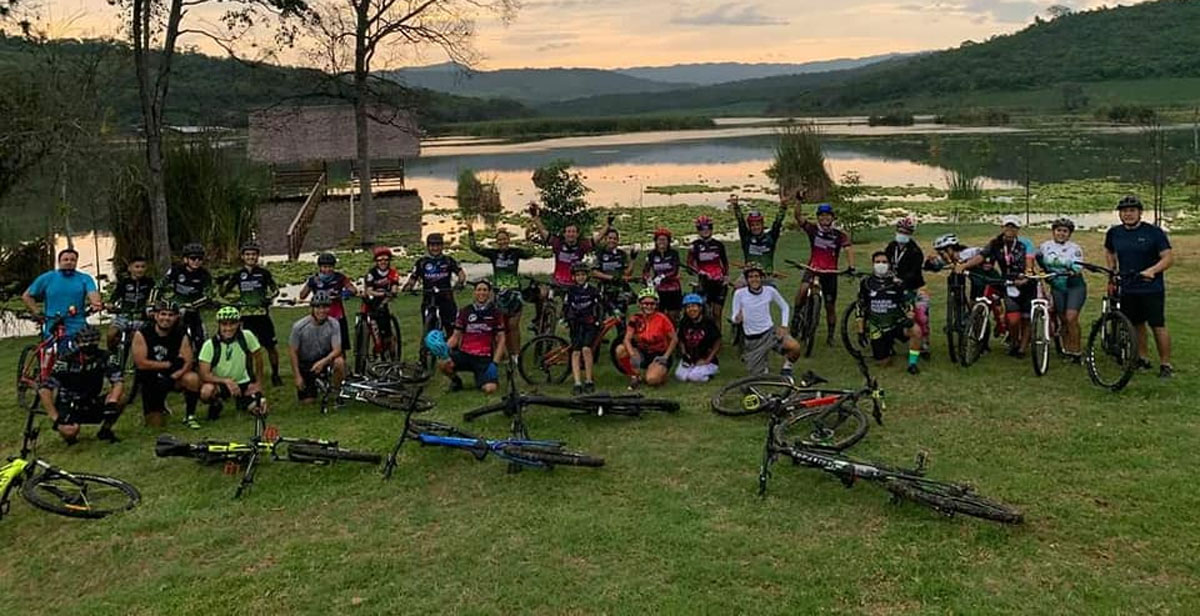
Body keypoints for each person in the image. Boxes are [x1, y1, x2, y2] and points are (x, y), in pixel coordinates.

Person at [1104, 195, 1174, 378]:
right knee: (1136, 324)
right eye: (1124, 211)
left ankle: (1165, 364)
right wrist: (1112, 270)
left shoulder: (1154, 232)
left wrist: (1152, 270)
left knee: (1157, 325)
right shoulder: (1114, 233)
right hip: (1128, 287)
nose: (1128, 214)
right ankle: (1142, 358)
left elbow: (1168, 258)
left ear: (1140, 213)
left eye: (1132, 211)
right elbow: (1109, 251)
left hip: (1151, 287)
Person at [962, 216, 1036, 357]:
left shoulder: (1025, 243)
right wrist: (965, 265)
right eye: (1007, 226)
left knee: (1026, 318)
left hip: (1027, 284)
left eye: (1013, 227)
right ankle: (1014, 342)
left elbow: (1029, 262)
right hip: (1008, 283)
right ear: (1002, 228)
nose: (1010, 229)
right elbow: (981, 256)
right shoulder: (995, 243)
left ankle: (1022, 348)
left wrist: (1027, 275)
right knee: (1013, 320)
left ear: (1018, 229)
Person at [37, 326, 123, 443]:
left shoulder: (106, 357)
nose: (89, 345)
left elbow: (118, 381)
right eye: (85, 341)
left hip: (91, 399)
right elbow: (45, 389)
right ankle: (69, 431)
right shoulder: (66, 360)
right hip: (69, 402)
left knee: (121, 398)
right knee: (70, 432)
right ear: (78, 342)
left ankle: (105, 430)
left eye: (93, 341)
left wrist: (112, 401)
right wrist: (55, 418)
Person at [466, 223, 533, 357]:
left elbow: (530, 253)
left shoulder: (515, 252)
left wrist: (528, 237)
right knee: (501, 326)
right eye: (500, 240)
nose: (502, 242)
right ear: (496, 242)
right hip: (499, 294)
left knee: (513, 325)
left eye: (504, 239)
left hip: (514, 292)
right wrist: (470, 231)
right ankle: (503, 353)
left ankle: (516, 355)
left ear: (508, 240)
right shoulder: (493, 254)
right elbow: (474, 248)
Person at [132, 299, 202, 428]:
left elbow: (188, 361)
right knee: (155, 426)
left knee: (192, 378)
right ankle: (157, 408)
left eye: (170, 315)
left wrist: (175, 375)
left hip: (173, 376)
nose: (166, 318)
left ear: (176, 317)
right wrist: (168, 364)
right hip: (150, 378)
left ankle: (190, 416)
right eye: (163, 314)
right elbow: (141, 363)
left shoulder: (181, 333)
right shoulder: (142, 333)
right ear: (156, 315)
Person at [220, 241, 282, 386]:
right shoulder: (238, 274)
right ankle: (249, 376)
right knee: (247, 348)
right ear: (242, 257)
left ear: (257, 256)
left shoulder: (264, 273)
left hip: (262, 315)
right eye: (247, 254)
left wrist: (269, 298)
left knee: (270, 346)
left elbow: (275, 290)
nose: (251, 257)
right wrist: (229, 294)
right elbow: (224, 293)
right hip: (246, 316)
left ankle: (275, 374)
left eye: (253, 254)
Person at [794, 202, 854, 346]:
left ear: (832, 217)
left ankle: (830, 335)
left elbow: (848, 248)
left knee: (830, 306)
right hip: (813, 268)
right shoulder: (813, 229)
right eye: (821, 215)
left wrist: (851, 266)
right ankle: (796, 317)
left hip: (830, 272)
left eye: (827, 215)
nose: (824, 218)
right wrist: (798, 201)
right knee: (803, 290)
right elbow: (798, 216)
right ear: (818, 217)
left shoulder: (839, 234)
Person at [730, 265, 803, 377]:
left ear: (761, 278)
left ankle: (787, 367)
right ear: (747, 279)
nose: (754, 279)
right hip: (753, 339)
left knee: (795, 347)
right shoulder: (739, 294)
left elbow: (784, 306)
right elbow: (734, 317)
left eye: (756, 276)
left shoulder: (770, 291)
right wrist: (737, 318)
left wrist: (784, 326)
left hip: (770, 333)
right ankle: (762, 365)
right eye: (750, 277)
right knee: (759, 376)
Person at [859, 252, 923, 374]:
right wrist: (861, 331)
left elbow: (908, 301)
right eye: (877, 262)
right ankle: (887, 347)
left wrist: (910, 314)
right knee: (883, 364)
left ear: (889, 264)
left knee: (916, 331)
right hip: (877, 327)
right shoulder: (866, 283)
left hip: (896, 323)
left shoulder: (897, 283)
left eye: (884, 262)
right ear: (872, 264)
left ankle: (912, 363)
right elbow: (860, 306)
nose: (881, 264)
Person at [198, 306, 266, 419]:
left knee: (261, 409)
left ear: (239, 323)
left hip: (244, 382)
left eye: (232, 324)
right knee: (206, 391)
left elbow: (259, 359)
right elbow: (204, 374)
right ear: (219, 325)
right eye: (224, 324)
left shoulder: (247, 336)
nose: (228, 328)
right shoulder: (209, 345)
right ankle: (216, 403)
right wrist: (226, 381)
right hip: (221, 383)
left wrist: (258, 383)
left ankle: (243, 401)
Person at [441, 281, 507, 394]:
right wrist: (443, 349)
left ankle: (481, 378)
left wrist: (495, 363)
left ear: (489, 293)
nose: (482, 293)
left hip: (483, 358)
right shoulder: (465, 311)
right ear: (474, 292)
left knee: (490, 389)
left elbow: (501, 339)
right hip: (465, 354)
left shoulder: (496, 313)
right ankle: (456, 382)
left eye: (485, 290)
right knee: (442, 363)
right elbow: (455, 337)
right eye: (479, 290)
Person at [22, 248, 103, 338]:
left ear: (76, 262)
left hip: (78, 324)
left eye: (72, 260)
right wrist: (37, 312)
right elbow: (27, 296)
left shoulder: (85, 278)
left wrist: (96, 303)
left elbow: (93, 294)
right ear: (59, 262)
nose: (69, 262)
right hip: (53, 325)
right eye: (65, 259)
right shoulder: (47, 277)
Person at [1036, 218, 1087, 360]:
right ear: (1053, 231)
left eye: (1065, 231)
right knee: (1063, 319)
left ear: (1070, 234)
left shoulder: (1074, 248)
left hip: (1074, 286)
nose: (1061, 233)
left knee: (1071, 317)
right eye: (1058, 230)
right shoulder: (1045, 246)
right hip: (1057, 287)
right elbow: (1039, 260)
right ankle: (1066, 349)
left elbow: (1078, 267)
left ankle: (1076, 351)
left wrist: (1072, 271)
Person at [403, 233, 466, 336]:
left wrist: (460, 282)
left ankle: (452, 344)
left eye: (438, 245)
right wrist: (409, 287)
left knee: (451, 328)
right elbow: (413, 278)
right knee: (428, 330)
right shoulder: (422, 262)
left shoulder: (448, 260)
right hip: (428, 299)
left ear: (442, 246)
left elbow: (461, 273)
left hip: (446, 298)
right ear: (428, 246)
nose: (435, 248)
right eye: (432, 245)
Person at [152, 243, 212, 351]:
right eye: (193, 258)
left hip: (193, 308)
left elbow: (208, 296)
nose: (196, 261)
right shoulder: (176, 270)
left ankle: (197, 357)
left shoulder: (205, 274)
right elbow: (158, 287)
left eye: (200, 259)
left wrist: (192, 305)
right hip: (175, 307)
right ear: (185, 259)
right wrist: (153, 303)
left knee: (200, 338)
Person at [884, 217, 930, 355]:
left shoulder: (915, 251)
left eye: (906, 232)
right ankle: (889, 342)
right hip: (894, 286)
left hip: (915, 287)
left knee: (921, 317)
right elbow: (886, 262)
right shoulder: (891, 246)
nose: (902, 234)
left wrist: (902, 279)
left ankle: (924, 343)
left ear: (910, 234)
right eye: (900, 231)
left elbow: (915, 271)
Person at [288, 293, 345, 404]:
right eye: (318, 307)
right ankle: (315, 385)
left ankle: (338, 393)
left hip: (324, 359)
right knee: (308, 402)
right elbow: (293, 351)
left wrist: (323, 362)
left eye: (325, 307)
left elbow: (337, 349)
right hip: (306, 363)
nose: (322, 311)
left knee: (339, 362)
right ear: (312, 309)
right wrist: (297, 376)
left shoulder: (334, 324)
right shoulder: (299, 327)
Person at [615, 287, 677, 389]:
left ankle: (659, 373)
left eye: (652, 304)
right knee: (620, 349)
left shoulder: (662, 319)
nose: (649, 306)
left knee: (652, 380)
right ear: (640, 304)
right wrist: (632, 355)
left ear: (656, 305)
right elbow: (627, 339)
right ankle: (635, 375)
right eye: (645, 303)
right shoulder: (635, 318)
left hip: (659, 354)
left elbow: (674, 339)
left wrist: (666, 356)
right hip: (642, 352)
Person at [298, 253, 358, 355]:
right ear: (320, 267)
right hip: (320, 316)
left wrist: (344, 294)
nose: (328, 270)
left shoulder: (340, 277)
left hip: (337, 315)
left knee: (340, 346)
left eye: (330, 267)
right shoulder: (314, 279)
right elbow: (302, 295)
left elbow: (353, 290)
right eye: (325, 267)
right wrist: (310, 287)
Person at [530, 204, 594, 287]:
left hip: (575, 284)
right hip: (558, 282)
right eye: (568, 232)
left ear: (577, 234)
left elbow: (597, 239)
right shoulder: (558, 243)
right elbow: (543, 231)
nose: (571, 234)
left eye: (573, 232)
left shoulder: (582, 245)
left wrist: (607, 225)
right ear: (564, 234)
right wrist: (535, 217)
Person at [729, 194, 786, 283]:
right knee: (737, 287)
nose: (755, 227)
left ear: (762, 225)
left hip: (766, 276)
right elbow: (741, 221)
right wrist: (736, 206)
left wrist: (783, 207)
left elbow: (778, 223)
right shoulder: (746, 238)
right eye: (752, 225)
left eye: (758, 224)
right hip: (748, 275)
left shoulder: (770, 237)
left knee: (772, 290)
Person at [564, 262, 602, 394]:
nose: (580, 277)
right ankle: (577, 382)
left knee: (586, 349)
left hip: (589, 324)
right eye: (578, 275)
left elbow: (600, 306)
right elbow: (566, 306)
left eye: (583, 275)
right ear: (574, 277)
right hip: (575, 324)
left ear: (587, 276)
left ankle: (589, 380)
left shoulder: (593, 291)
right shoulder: (571, 291)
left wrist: (598, 320)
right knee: (575, 352)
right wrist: (566, 318)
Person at [104, 255, 153, 353]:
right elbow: (115, 295)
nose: (140, 269)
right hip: (124, 315)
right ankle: (112, 354)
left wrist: (150, 307)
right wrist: (110, 303)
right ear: (130, 268)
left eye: (143, 267)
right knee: (111, 334)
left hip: (141, 317)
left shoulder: (149, 282)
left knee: (134, 337)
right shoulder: (124, 282)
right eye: (137, 267)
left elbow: (153, 297)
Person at [361, 246, 402, 358]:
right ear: (376, 261)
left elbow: (394, 287)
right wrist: (381, 294)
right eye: (380, 260)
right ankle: (375, 346)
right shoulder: (371, 273)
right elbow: (369, 290)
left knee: (386, 327)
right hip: (371, 302)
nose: (383, 262)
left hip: (384, 302)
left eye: (386, 259)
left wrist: (392, 293)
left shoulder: (393, 273)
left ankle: (390, 347)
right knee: (372, 325)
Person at [687, 215, 729, 322]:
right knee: (704, 313)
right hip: (703, 283)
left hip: (718, 282)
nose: (705, 231)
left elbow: (725, 263)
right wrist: (699, 272)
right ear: (698, 230)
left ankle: (718, 333)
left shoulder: (718, 245)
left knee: (717, 313)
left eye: (708, 228)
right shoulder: (694, 246)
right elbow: (689, 265)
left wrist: (725, 276)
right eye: (702, 229)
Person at [675, 293, 722, 383]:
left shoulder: (708, 322)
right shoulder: (684, 322)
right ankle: (695, 370)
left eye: (694, 306)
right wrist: (684, 354)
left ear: (700, 308)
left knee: (694, 377)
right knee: (680, 376)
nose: (691, 309)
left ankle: (710, 373)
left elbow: (718, 341)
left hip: (706, 359)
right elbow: (681, 339)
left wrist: (708, 359)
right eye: (688, 307)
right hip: (690, 358)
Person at [643, 227, 684, 321]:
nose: (662, 242)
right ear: (656, 241)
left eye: (664, 240)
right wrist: (648, 280)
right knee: (658, 316)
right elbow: (645, 271)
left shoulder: (674, 254)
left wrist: (662, 277)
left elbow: (674, 270)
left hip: (673, 288)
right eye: (659, 239)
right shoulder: (651, 255)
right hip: (659, 289)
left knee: (673, 317)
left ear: (668, 241)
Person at [593, 221, 634, 312]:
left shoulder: (622, 254)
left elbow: (627, 273)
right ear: (605, 239)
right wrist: (610, 278)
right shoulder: (600, 253)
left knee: (621, 314)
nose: (612, 241)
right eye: (610, 238)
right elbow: (594, 272)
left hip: (620, 288)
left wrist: (632, 260)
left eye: (615, 239)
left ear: (618, 241)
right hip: (604, 289)